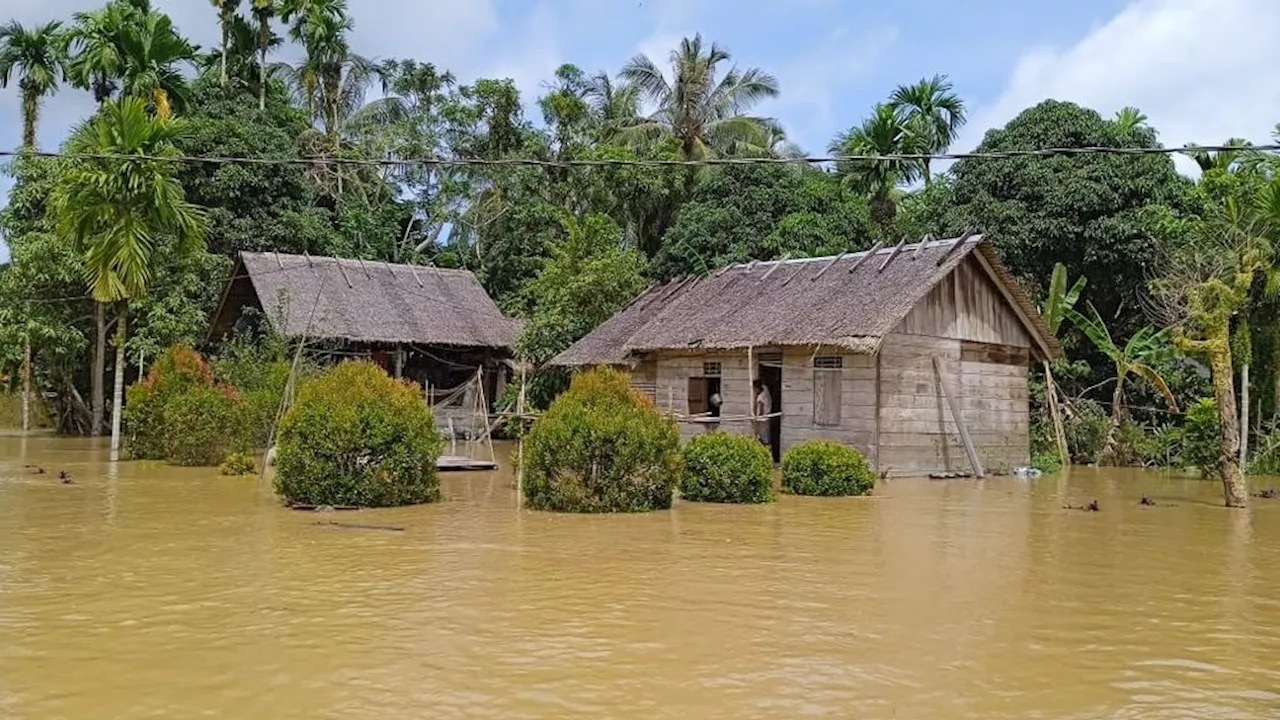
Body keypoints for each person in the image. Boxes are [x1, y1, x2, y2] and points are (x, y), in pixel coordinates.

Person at [752, 380, 772, 446]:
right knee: (766, 435)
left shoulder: (760, 397)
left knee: (763, 436)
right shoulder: (766, 392)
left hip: (762, 419)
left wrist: (758, 418)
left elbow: (761, 408)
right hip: (766, 417)